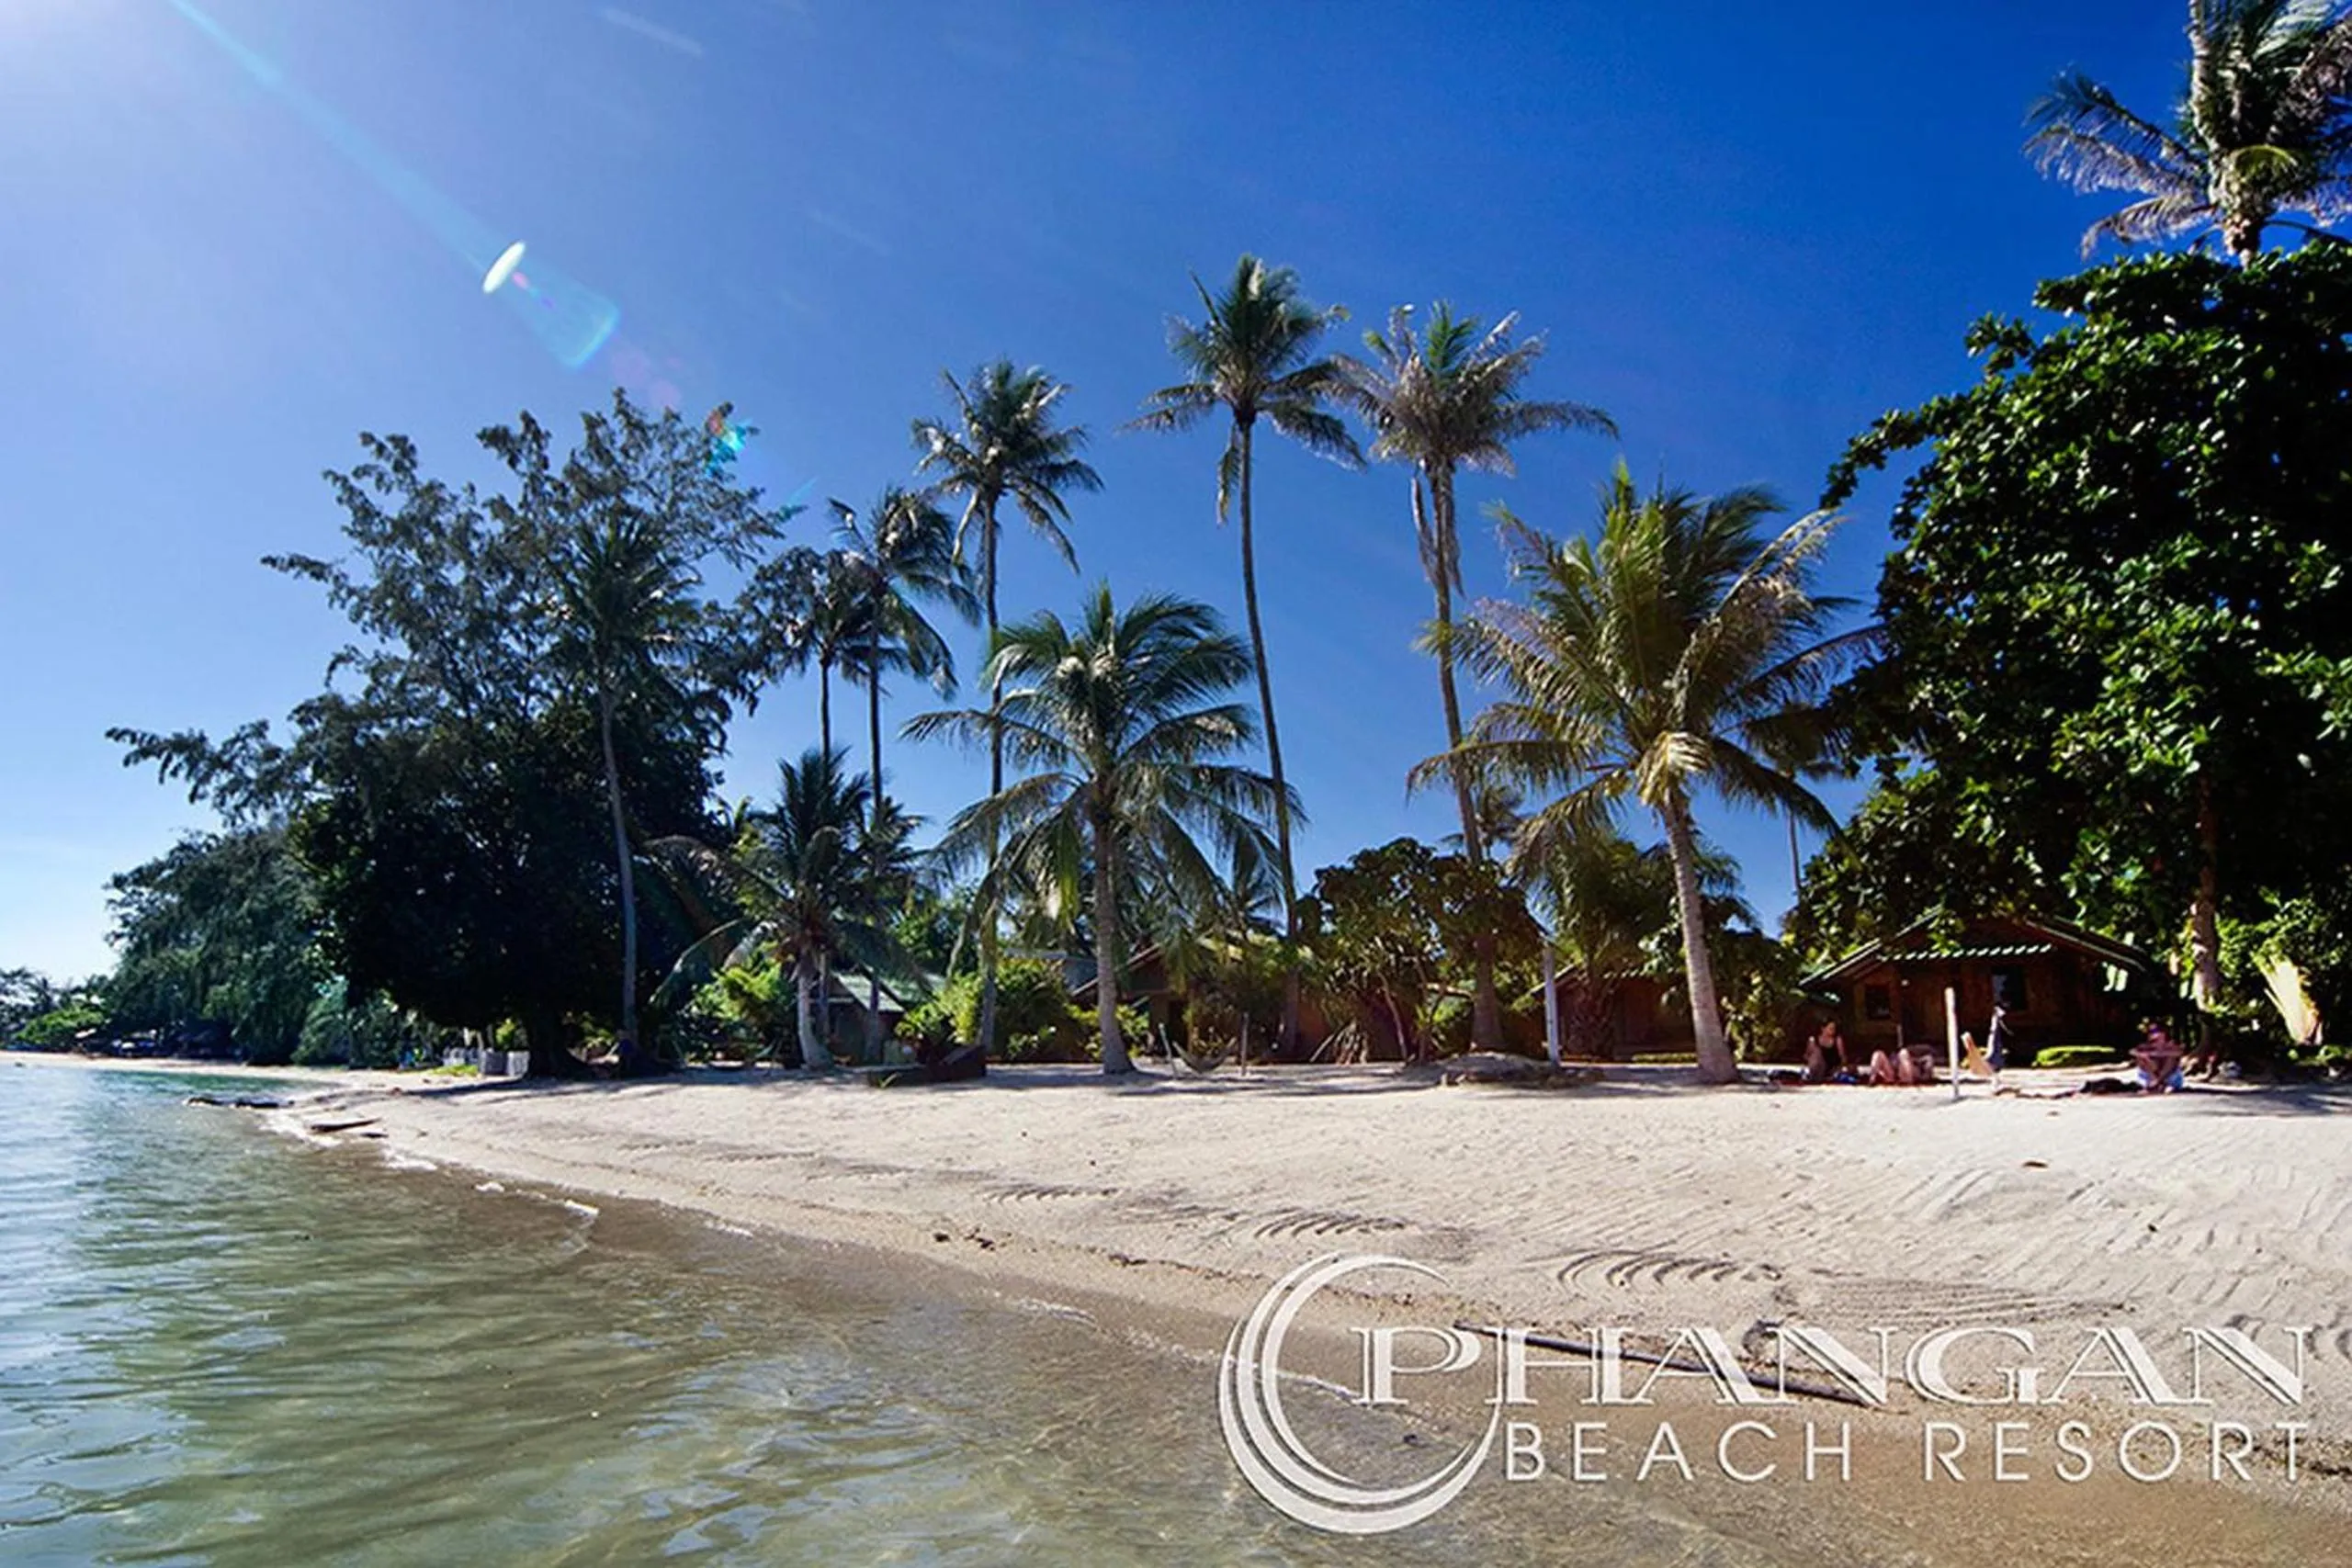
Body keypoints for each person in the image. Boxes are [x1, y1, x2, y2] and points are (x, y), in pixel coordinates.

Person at [2132, 1021, 2186, 1094]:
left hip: (2168, 1077)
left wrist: (2159, 1052)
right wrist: (2153, 1053)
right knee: (2144, 1058)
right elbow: (2134, 1053)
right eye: (2150, 1032)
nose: (2153, 1034)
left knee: (2171, 1058)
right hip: (2151, 1076)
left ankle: (2158, 1083)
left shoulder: (2171, 1045)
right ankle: (2157, 1084)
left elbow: (2178, 1053)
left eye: (2156, 1031)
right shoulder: (2145, 1046)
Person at [1804, 1020, 1849, 1084]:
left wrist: (1842, 1067)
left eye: (1834, 1029)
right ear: (1823, 1029)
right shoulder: (1814, 1040)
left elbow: (1842, 1057)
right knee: (1816, 1053)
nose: (1833, 1031)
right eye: (1831, 1028)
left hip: (1832, 1067)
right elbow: (1806, 1056)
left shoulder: (1837, 1040)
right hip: (1818, 1066)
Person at [1986, 1000, 2014, 1075]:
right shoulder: (1998, 1011)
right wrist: (2008, 1031)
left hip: (1995, 1032)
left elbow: (2001, 1023)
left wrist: (2007, 1031)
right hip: (1994, 1032)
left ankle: (1994, 1063)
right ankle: (1992, 1062)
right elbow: (2002, 1023)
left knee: (1996, 1047)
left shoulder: (1997, 1012)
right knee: (1994, 1047)